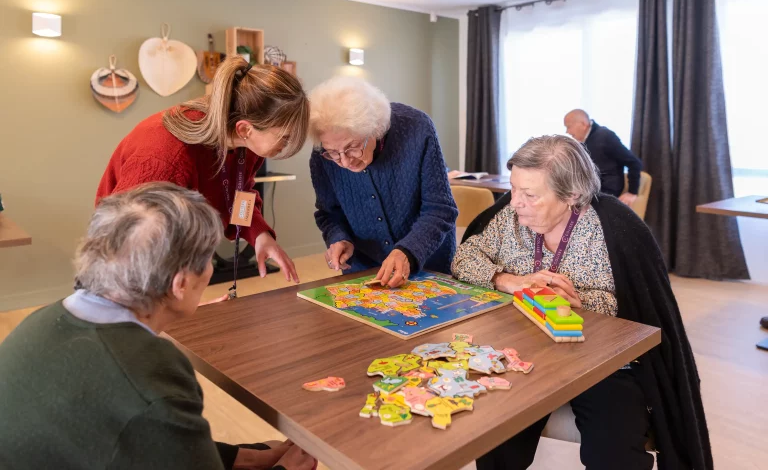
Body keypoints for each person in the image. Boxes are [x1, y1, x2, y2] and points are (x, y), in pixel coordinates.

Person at [0, 183, 316, 470]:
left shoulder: (41, 321)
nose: (209, 269)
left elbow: (142, 440)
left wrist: (243, 458)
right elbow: (149, 423)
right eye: (208, 258)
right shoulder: (149, 371)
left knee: (265, 448)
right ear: (180, 283)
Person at [453, 135, 711, 470]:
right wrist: (509, 280)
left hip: (602, 363)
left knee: (613, 455)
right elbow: (465, 257)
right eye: (514, 188)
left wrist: (581, 303)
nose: (514, 202)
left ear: (571, 194)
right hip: (523, 356)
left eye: (529, 194)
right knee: (495, 440)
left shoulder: (615, 227)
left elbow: (638, 309)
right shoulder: (509, 217)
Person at [96, 57, 309, 294]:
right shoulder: (166, 155)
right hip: (125, 263)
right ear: (245, 129)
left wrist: (260, 235)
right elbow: (129, 236)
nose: (287, 147)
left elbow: (240, 197)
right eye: (285, 137)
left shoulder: (246, 146)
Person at [309, 76, 457, 287]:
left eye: (352, 147)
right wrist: (339, 238)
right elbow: (329, 213)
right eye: (333, 152)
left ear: (375, 130)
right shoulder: (322, 154)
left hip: (428, 266)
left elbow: (441, 209)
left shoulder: (417, 128)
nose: (343, 161)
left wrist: (407, 251)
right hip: (366, 271)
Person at [564, 109, 643, 207]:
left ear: (583, 124)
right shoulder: (584, 141)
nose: (567, 131)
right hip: (591, 190)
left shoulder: (605, 136)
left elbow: (634, 163)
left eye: (568, 127)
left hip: (605, 192)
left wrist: (632, 192)